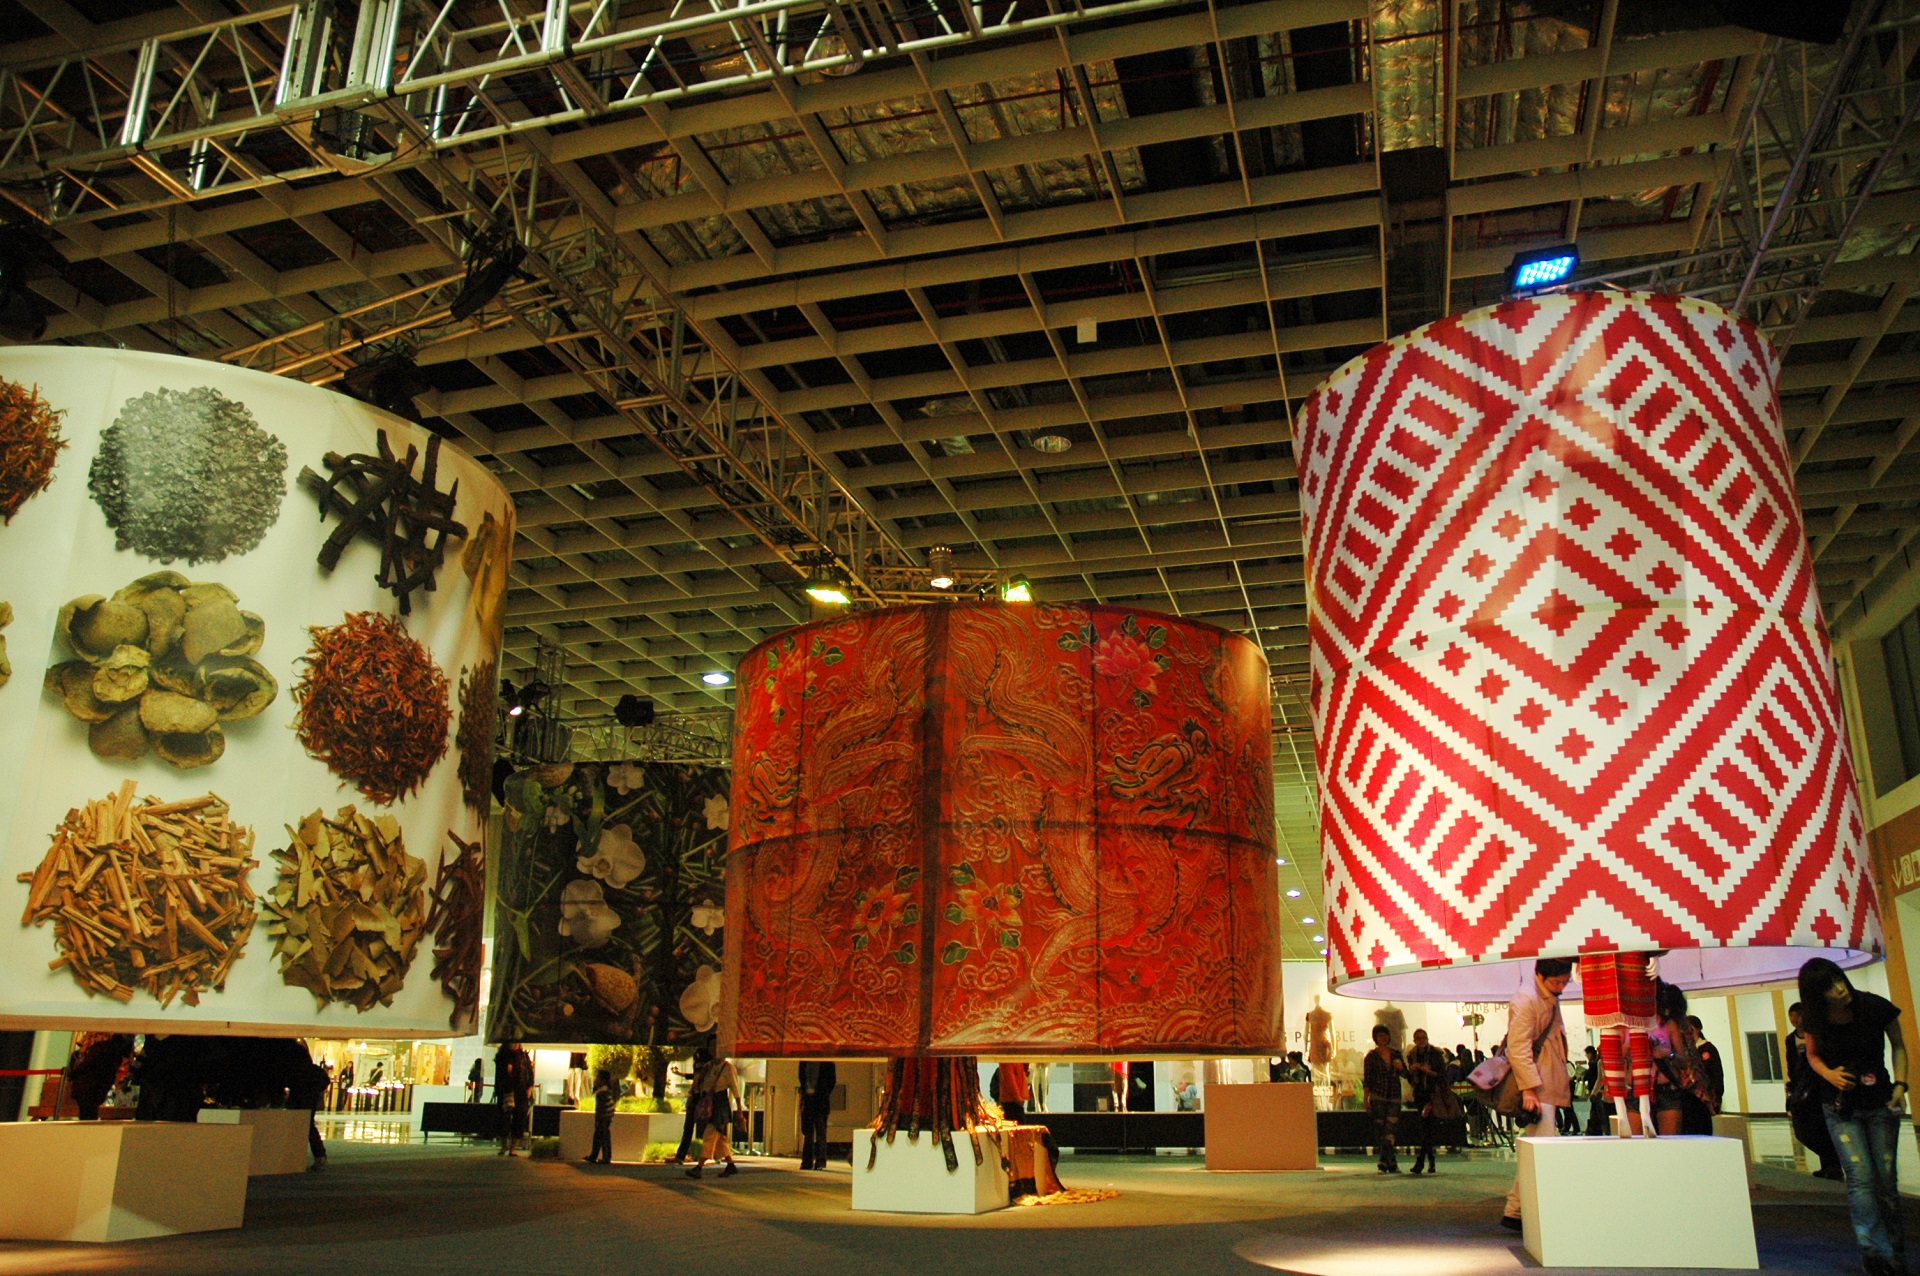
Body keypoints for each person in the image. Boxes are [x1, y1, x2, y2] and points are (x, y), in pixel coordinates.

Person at [1799, 957, 1909, 1276]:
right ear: (1817, 995)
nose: (1839, 989)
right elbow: (1812, 1055)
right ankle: (1873, 1252)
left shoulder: (1874, 1006)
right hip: (1839, 1106)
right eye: (1829, 987)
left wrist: (1901, 1085)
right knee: (1860, 1177)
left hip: (1880, 1102)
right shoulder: (1815, 1018)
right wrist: (1830, 1075)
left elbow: (1899, 1046)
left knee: (1885, 1180)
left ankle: (1895, 1252)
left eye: (1839, 980)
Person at [1501, 957, 1572, 1232]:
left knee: (1538, 1149)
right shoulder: (1526, 999)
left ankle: (1517, 1210)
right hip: (1539, 1085)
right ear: (1540, 976)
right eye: (1557, 982)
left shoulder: (1545, 997)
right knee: (1541, 1149)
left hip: (1546, 1081)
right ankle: (1522, 1211)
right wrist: (1528, 1089)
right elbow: (1518, 1048)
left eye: (1565, 982)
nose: (1561, 987)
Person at [1787, 1001, 1843, 1180]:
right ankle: (1827, 1163)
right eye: (1792, 1020)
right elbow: (1791, 1063)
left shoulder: (1817, 1034)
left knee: (1822, 1127)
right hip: (1802, 1087)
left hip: (1819, 1085)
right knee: (1808, 1129)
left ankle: (1832, 1165)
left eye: (1797, 1018)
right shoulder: (1791, 1039)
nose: (1796, 1023)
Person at [1651, 982, 1713, 1136]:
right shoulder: (1679, 1024)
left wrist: (1668, 1054)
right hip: (1689, 1090)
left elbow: (1686, 1061)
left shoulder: (1674, 1025)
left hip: (1684, 1089)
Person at [686, 1054, 743, 1179]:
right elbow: (699, 1083)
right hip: (710, 1103)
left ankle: (699, 1167)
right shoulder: (709, 1066)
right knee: (719, 1138)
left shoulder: (728, 1067)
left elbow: (735, 1088)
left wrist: (739, 1111)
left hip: (720, 1104)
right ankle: (730, 1165)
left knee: (710, 1134)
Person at [1404, 1027, 1450, 1175]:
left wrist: (1428, 1071)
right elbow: (1410, 1079)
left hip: (1432, 1094)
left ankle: (1421, 1161)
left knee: (1427, 1127)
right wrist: (1412, 1071)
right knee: (1425, 1128)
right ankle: (1431, 1161)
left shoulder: (1435, 1054)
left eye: (1423, 1038)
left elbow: (1442, 1075)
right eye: (1418, 1038)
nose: (1421, 1041)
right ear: (1414, 1040)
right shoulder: (1412, 1055)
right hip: (1420, 1094)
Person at [1363, 1023, 1407, 1174]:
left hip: (1394, 1095)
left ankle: (1383, 1162)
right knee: (1381, 1129)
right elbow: (1367, 1079)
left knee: (1390, 1129)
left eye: (1385, 1035)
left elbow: (1405, 1074)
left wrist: (1401, 1068)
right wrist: (1366, 1098)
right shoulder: (1371, 1057)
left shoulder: (1396, 1054)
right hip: (1378, 1095)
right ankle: (1391, 1163)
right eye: (1380, 1035)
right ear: (1375, 1038)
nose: (1383, 1038)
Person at [494, 1040, 533, 1157]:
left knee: (519, 1119)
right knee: (503, 1119)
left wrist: (530, 1087)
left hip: (521, 1091)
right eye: (512, 1042)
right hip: (506, 1091)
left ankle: (513, 1147)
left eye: (517, 1043)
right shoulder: (502, 1056)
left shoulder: (523, 1056)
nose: (515, 1045)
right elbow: (498, 1075)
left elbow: (530, 1073)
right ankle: (504, 1145)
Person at [798, 1059, 837, 1170]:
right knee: (808, 1133)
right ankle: (808, 1162)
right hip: (810, 1100)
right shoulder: (804, 1062)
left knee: (820, 1133)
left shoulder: (827, 1063)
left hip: (820, 1100)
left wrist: (823, 1093)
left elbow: (832, 1081)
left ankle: (819, 1161)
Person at [1688, 1016, 1725, 1114]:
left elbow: (1717, 1073)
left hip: (1707, 1096)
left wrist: (1717, 1095)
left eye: (1691, 1029)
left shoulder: (1708, 1049)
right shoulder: (1685, 1050)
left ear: (1698, 1029)